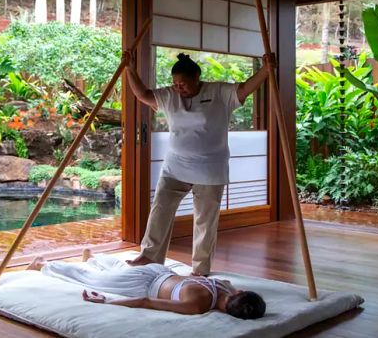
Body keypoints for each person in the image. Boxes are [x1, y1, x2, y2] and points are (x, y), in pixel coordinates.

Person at [122, 51, 273, 276]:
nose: (178, 88)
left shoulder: (219, 92)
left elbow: (244, 89)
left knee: (205, 220)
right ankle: (150, 256)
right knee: (160, 209)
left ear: (197, 79)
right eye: (175, 83)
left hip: (209, 168)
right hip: (175, 165)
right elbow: (143, 95)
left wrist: (266, 70)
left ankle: (200, 269)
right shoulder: (170, 95)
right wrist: (129, 69)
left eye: (183, 84)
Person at [26, 249, 266, 319]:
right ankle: (43, 264)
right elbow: (146, 301)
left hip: (159, 271)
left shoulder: (225, 284)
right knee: (93, 279)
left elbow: (148, 301)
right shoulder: (197, 305)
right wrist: (110, 302)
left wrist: (110, 300)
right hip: (145, 284)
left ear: (239, 292)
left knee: (120, 270)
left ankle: (94, 258)